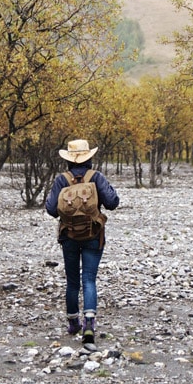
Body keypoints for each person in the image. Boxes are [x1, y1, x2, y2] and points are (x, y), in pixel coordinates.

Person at [45, 139, 119, 348]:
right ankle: (89, 323)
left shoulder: (61, 180)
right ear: (90, 157)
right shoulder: (96, 177)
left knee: (72, 280)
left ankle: (72, 323)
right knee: (89, 278)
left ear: (68, 159)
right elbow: (113, 203)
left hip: (68, 235)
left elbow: (51, 209)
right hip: (93, 235)